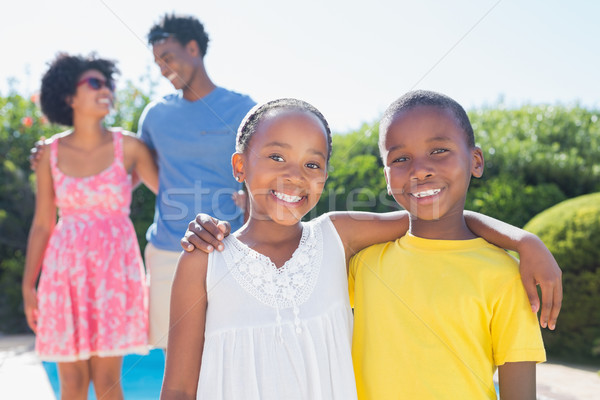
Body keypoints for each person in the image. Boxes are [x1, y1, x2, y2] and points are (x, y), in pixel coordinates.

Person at [161, 98, 560, 400]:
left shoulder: (337, 237)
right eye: (276, 156)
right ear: (239, 166)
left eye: (312, 164)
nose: (293, 175)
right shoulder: (205, 259)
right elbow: (178, 388)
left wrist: (524, 241)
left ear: (325, 176)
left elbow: (431, 215)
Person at [349, 90, 546, 399]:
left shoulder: (507, 276)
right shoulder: (361, 265)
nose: (420, 170)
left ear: (476, 161)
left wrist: (525, 242)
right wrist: (524, 239)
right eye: (400, 159)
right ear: (387, 178)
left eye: (439, 150)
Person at [22, 54, 159, 399]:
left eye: (108, 84)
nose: (107, 90)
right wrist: (28, 284)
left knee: (109, 379)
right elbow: (42, 224)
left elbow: (171, 190)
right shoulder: (48, 155)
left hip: (114, 272)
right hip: (65, 271)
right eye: (95, 83)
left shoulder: (129, 147)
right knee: (71, 382)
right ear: (69, 97)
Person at [139, 14, 256, 349]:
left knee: (229, 350)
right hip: (167, 253)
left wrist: (254, 198)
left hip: (228, 249)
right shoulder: (155, 115)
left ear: (193, 48)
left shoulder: (242, 109)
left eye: (168, 57)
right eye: (157, 62)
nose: (162, 68)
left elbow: (263, 169)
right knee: (174, 356)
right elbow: (130, 162)